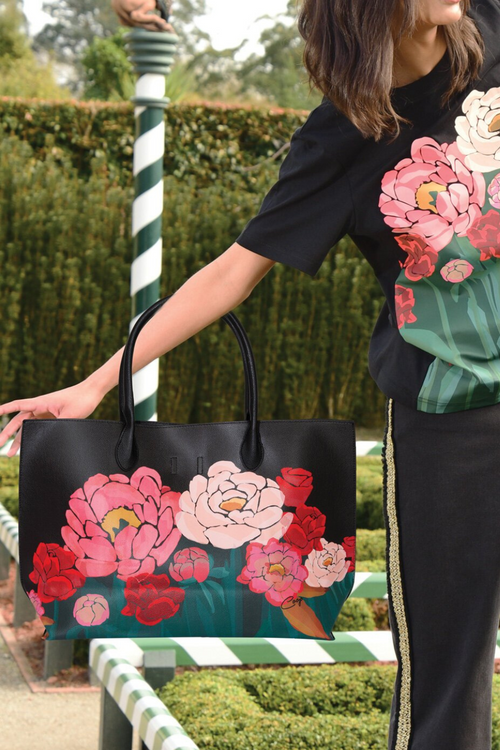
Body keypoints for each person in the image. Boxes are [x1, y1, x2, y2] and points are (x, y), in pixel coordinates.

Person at [1, 0, 500, 747]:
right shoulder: (345, 137)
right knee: (445, 680)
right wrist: (98, 382)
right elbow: (232, 272)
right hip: (449, 422)